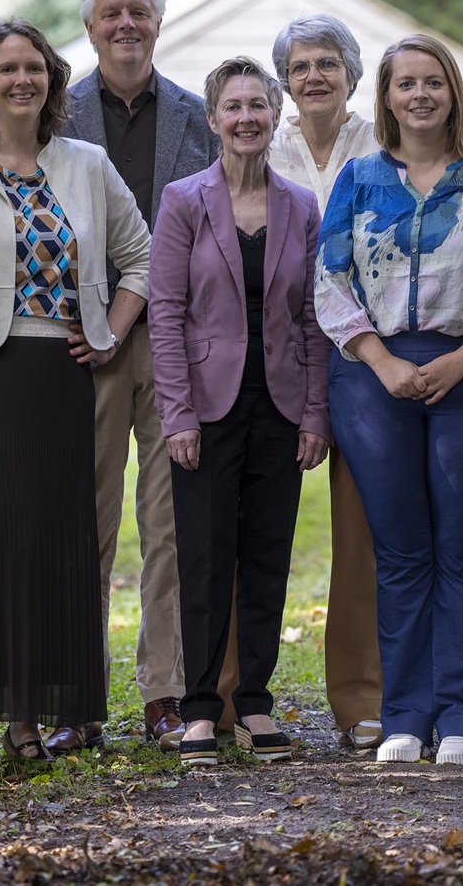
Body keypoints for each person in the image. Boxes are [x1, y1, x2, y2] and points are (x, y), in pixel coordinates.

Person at [0, 19, 152, 776]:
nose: (22, 79)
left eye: (35, 68)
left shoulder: (87, 164)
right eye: (7, 68)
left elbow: (139, 256)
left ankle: (27, 718)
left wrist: (108, 334)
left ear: (52, 80)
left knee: (51, 547)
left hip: (62, 377)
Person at [316, 34, 463, 768]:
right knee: (401, 554)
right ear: (387, 96)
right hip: (374, 380)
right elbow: (329, 279)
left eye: (432, 81)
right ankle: (404, 714)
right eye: (406, 83)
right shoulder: (358, 178)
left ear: (452, 93)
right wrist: (378, 359)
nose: (420, 95)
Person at [149, 57, 332, 767]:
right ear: (212, 118)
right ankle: (199, 708)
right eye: (234, 106)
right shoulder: (183, 200)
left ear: (274, 112)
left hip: (280, 404)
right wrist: (176, 413)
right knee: (202, 555)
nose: (247, 117)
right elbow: (165, 313)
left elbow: (314, 316)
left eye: (258, 104)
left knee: (265, 556)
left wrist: (315, 410)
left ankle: (253, 702)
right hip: (207, 404)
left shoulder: (299, 205)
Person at [64, 0, 217, 750]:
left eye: (139, 12)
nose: (126, 23)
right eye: (111, 12)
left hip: (173, 345)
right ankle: (79, 700)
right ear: (90, 27)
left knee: (168, 525)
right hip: (84, 344)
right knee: (84, 522)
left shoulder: (198, 116)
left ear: (158, 23)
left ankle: (165, 692)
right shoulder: (57, 112)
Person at [266, 14, 385, 750]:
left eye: (327, 63)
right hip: (273, 351)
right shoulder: (261, 143)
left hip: (362, 347)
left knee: (364, 530)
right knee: (254, 525)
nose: (314, 75)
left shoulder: (381, 141)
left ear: (350, 72)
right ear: (284, 79)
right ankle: (231, 696)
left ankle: (361, 698)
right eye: (300, 64)